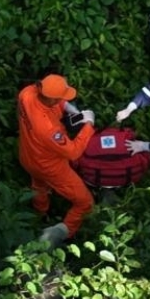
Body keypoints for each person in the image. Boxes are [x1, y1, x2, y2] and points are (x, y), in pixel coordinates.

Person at [17, 74, 96, 246]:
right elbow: (73, 151)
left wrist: (68, 107)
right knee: (85, 203)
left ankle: (39, 215)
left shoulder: (27, 93)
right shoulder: (48, 129)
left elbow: (51, 102)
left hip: (28, 157)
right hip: (50, 166)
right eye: (61, 98)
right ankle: (62, 231)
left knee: (39, 186)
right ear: (52, 100)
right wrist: (88, 125)